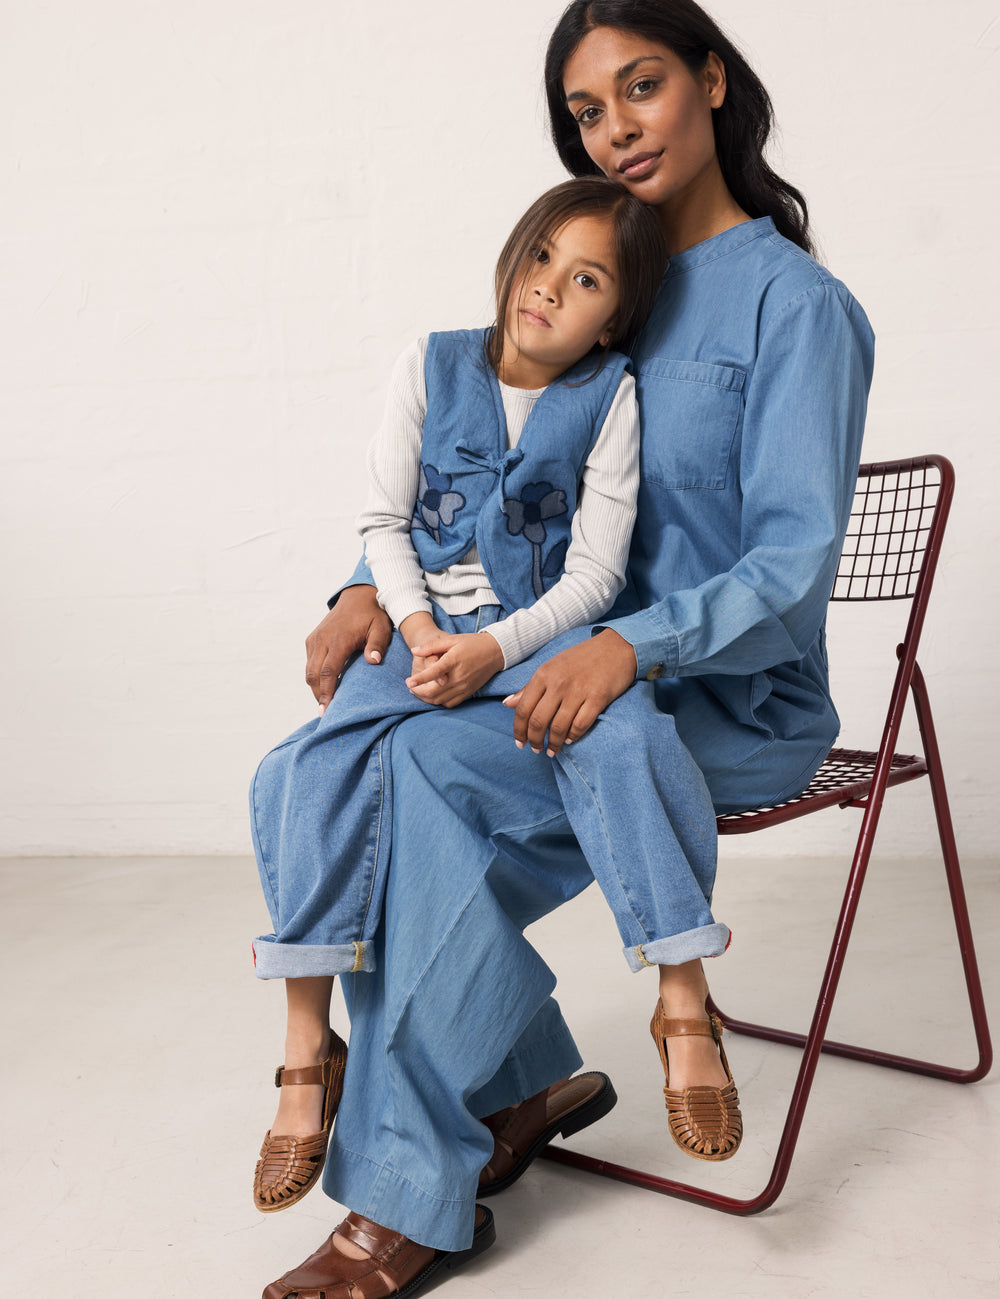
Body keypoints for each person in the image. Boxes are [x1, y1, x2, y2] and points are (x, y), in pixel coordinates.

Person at [262, 2, 876, 1296]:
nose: (617, 128)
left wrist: (632, 648)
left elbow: (789, 563)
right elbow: (471, 484)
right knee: (340, 757)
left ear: (713, 80)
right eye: (588, 111)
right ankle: (528, 1074)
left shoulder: (797, 306)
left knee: (415, 778)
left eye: (641, 86)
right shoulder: (594, 269)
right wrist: (368, 590)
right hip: (547, 665)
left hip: (720, 694)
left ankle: (401, 1190)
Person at [250, 175, 668, 1215]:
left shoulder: (610, 393)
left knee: (381, 794)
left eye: (583, 282)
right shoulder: (431, 361)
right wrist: (425, 629)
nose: (547, 292)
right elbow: (382, 518)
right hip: (418, 633)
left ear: (612, 314)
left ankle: (393, 1148)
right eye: (541, 260)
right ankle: (313, 1042)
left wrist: (488, 652)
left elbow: (593, 577)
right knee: (297, 774)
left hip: (528, 651)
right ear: (512, 254)